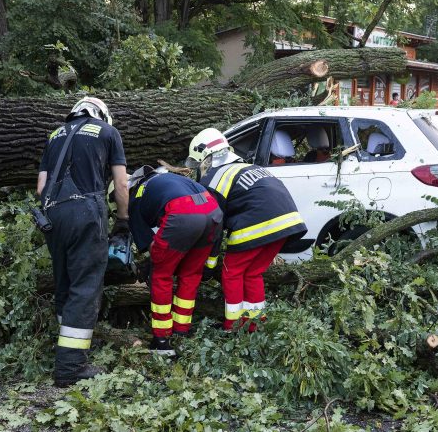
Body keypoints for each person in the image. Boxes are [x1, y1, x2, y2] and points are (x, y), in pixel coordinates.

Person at [36, 97, 129, 387]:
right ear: (102, 114)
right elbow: (121, 184)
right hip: (86, 210)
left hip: (51, 215)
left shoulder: (54, 135)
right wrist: (123, 220)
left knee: (64, 281)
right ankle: (70, 368)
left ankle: (67, 350)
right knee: (85, 286)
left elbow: (41, 187)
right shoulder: (108, 132)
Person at [186, 128, 307, 331]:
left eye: (199, 164)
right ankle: (254, 324)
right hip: (287, 223)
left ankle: (232, 326)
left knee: (231, 272)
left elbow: (214, 225)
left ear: (206, 158)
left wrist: (210, 262)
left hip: (257, 223)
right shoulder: (247, 167)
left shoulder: (214, 178)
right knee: (252, 273)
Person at [127, 165, 222, 355]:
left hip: (183, 213)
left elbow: (150, 247)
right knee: (191, 274)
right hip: (213, 212)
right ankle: (181, 331)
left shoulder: (136, 198)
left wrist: (155, 263)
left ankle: (162, 340)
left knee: (161, 275)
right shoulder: (170, 179)